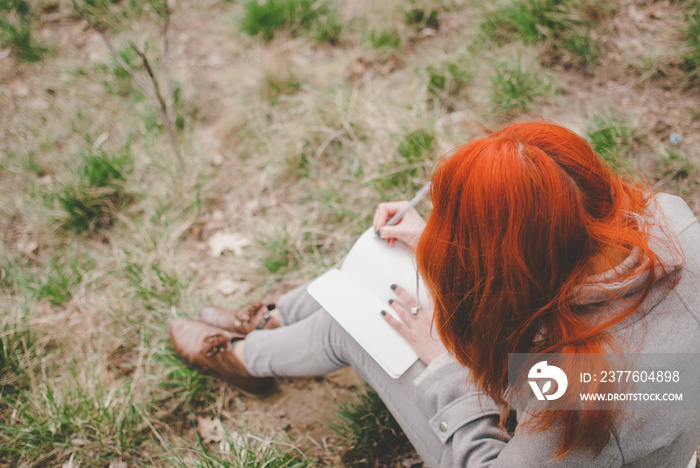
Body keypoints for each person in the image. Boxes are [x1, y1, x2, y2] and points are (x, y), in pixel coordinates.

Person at [170, 121, 700, 467]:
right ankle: (276, 319)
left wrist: (445, 366)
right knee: (396, 254)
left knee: (363, 320)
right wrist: (435, 241)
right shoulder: (669, 220)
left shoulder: (579, 391)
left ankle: (243, 358)